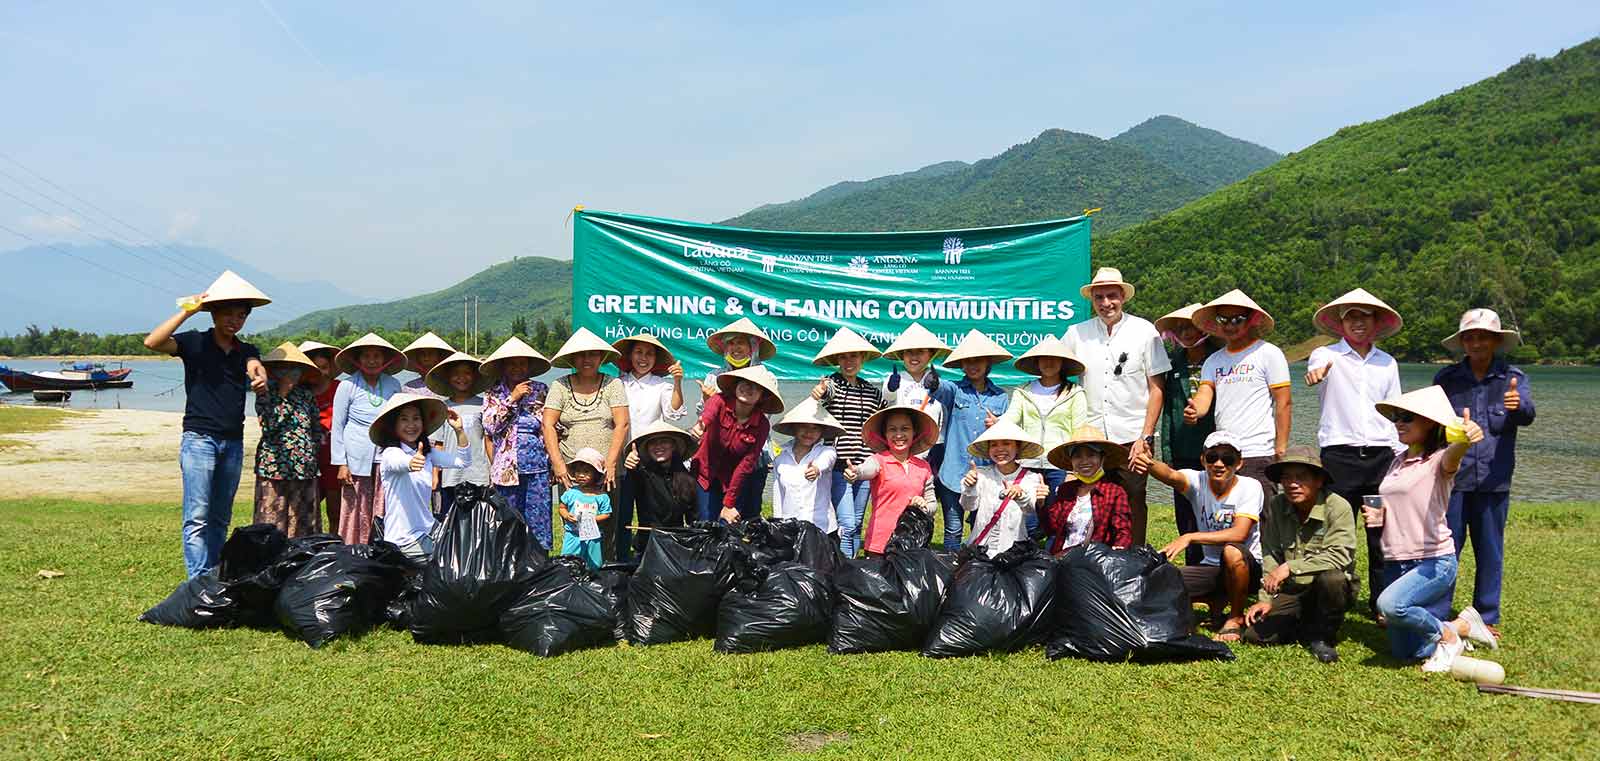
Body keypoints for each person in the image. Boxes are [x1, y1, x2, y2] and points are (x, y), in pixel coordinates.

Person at [142, 271, 270, 577]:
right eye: (227, 313)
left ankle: (213, 575)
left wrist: (259, 375)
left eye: (241, 316)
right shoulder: (194, 343)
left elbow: (255, 365)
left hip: (233, 441)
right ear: (213, 313)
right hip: (199, 439)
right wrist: (188, 311)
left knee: (220, 517)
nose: (234, 321)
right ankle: (198, 581)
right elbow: (153, 341)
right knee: (197, 516)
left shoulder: (246, 350)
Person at [1371, 385, 1499, 672]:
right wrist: (1379, 514)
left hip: (1432, 560)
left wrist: (1465, 438)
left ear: (1429, 423)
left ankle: (1448, 636)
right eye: (1395, 417)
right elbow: (1398, 501)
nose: (1398, 423)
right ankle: (1463, 625)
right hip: (1395, 559)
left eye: (1406, 417)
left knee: (1390, 605)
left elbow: (1455, 453)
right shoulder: (1397, 461)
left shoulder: (1440, 460)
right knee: (1407, 652)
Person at [1305, 288, 1405, 619]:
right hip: (1339, 460)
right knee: (1337, 532)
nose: (1358, 323)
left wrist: (1401, 456)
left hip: (1379, 460)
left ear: (1376, 323)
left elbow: (1396, 412)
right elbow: (1315, 370)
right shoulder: (1326, 355)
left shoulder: (1386, 363)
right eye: (1351, 316)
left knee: (1379, 534)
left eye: (1365, 316)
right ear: (1342, 323)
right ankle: (1337, 598)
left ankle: (1380, 604)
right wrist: (1315, 374)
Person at [1434, 308, 1534, 636]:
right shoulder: (1446, 380)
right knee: (1447, 547)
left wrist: (1518, 405)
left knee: (1490, 550)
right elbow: (1432, 424)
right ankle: (1438, 611)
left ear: (1495, 341)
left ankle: (1487, 617)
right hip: (1454, 479)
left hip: (1494, 479)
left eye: (1484, 337)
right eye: (1471, 337)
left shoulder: (1513, 378)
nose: (1477, 343)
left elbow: (1527, 415)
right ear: (1463, 342)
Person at [1061, 267, 1169, 547]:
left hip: (1133, 435)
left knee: (1133, 500)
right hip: (1092, 437)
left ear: (1123, 296)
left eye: (1112, 296)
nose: (1106, 303)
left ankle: (1133, 563)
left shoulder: (1145, 331)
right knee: (1092, 500)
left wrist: (1145, 436)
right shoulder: (1076, 334)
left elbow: (1156, 387)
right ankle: (1095, 561)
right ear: (1092, 300)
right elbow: (1055, 376)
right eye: (1099, 297)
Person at [1136, 431, 1265, 642]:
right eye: (1213, 457)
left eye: (1228, 458)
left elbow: (1240, 533)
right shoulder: (1197, 480)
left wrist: (1190, 537)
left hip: (1247, 568)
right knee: (1161, 581)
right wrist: (1148, 463)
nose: (1219, 464)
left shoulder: (1250, 486)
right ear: (1203, 460)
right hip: (1210, 567)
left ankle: (1235, 617)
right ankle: (1215, 599)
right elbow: (1170, 475)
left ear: (1239, 463)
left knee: (1232, 551)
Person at [1242, 447, 1358, 664]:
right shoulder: (1277, 505)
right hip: (1293, 589)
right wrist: (1266, 599)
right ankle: (1304, 622)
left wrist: (1290, 567)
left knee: (1332, 578)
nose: (1292, 483)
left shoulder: (1338, 506)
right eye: (1286, 477)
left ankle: (1323, 637)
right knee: (1254, 637)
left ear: (1319, 481)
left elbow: (1340, 555)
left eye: (1301, 477)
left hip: (1327, 588)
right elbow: (1271, 553)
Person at [1185, 289, 1292, 496]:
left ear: (1251, 320)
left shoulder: (1268, 353)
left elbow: (1284, 402)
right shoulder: (1213, 361)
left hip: (1258, 451)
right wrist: (1194, 411)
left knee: (1263, 519)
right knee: (1227, 516)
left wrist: (1281, 446)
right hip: (1223, 455)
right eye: (1224, 319)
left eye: (1237, 319)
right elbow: (1204, 396)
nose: (1230, 325)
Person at [543, 328, 631, 561]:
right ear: (572, 359)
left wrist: (611, 463)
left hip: (606, 471)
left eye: (592, 354)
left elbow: (621, 424)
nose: (587, 359)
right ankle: (573, 574)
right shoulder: (559, 386)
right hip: (572, 471)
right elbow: (548, 425)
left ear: (601, 358)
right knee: (573, 525)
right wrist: (559, 465)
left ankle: (606, 581)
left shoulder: (613, 385)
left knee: (606, 525)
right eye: (581, 355)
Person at [931, 329, 1012, 551]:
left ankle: (976, 573)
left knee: (981, 526)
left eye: (978, 360)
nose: (973, 365)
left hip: (986, 474)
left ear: (988, 363)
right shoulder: (954, 390)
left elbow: (1008, 437)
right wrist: (931, 379)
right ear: (962, 365)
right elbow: (937, 387)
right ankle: (949, 575)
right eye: (968, 361)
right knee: (953, 528)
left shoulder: (1001, 396)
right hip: (953, 472)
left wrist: (999, 425)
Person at [808, 327, 886, 556]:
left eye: (854, 356)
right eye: (843, 356)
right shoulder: (833, 384)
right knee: (848, 523)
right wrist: (820, 390)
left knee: (857, 524)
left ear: (862, 358)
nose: (849, 361)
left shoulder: (871, 391)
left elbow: (885, 416)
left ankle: (850, 569)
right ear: (837, 360)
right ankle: (841, 568)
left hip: (862, 466)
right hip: (838, 466)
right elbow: (824, 391)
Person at [612, 332, 687, 561]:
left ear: (656, 359)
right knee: (621, 517)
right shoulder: (617, 383)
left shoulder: (660, 385)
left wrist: (677, 382)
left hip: (651, 460)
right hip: (622, 460)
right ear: (630, 355)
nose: (643, 358)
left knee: (651, 514)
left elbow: (674, 413)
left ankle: (651, 560)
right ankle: (621, 560)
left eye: (649, 354)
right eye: (638, 352)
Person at [370, 393, 469, 562]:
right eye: (404, 419)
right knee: (454, 561)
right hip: (404, 541)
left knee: (466, 547)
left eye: (416, 418)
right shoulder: (390, 453)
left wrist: (459, 431)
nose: (411, 425)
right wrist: (412, 462)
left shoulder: (428, 454)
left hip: (428, 531)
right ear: (393, 425)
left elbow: (463, 461)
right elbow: (399, 462)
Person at [697, 317, 778, 518]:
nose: (735, 348)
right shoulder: (713, 377)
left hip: (750, 457)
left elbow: (760, 417)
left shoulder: (767, 377)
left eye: (740, 342)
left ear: (753, 347)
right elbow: (704, 419)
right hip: (715, 461)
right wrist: (708, 403)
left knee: (747, 515)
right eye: (730, 343)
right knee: (709, 515)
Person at [479, 337, 554, 552]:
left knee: (538, 519)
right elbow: (490, 427)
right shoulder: (493, 393)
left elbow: (550, 427)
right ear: (503, 366)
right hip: (506, 469)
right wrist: (512, 398)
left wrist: (553, 463)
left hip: (538, 466)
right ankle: (507, 565)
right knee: (508, 519)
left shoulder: (541, 390)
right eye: (512, 363)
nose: (517, 369)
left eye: (522, 364)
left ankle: (539, 565)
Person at [1155, 304, 1216, 565]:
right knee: (1186, 511)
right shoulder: (1174, 362)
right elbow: (1168, 409)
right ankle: (1193, 566)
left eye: (1192, 326)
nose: (1187, 332)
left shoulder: (1218, 357)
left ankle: (1217, 564)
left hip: (1214, 447)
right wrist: (1167, 451)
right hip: (1182, 448)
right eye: (1180, 328)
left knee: (1216, 508)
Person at [329, 333, 404, 544]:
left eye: (377, 356)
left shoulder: (394, 384)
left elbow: (398, 420)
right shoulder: (347, 386)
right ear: (358, 360)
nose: (372, 361)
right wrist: (341, 463)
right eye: (367, 356)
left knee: (384, 503)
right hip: (355, 455)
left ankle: (382, 548)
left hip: (385, 453)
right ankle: (352, 551)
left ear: (385, 359)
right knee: (355, 508)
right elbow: (338, 425)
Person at [999, 336, 1088, 510]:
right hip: (1028, 462)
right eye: (1044, 358)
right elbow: (1012, 418)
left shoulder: (1075, 392)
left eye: (1054, 358)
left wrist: (1072, 470)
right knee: (1027, 515)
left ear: (1062, 363)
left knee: (1056, 513)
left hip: (1060, 463)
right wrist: (997, 423)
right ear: (1037, 362)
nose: (1049, 362)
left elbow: (1079, 431)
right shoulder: (1023, 390)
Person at [690, 365, 783, 524]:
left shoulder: (762, 425)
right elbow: (708, 415)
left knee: (728, 525)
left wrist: (728, 503)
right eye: (744, 383)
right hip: (705, 474)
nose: (748, 389)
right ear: (735, 386)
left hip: (732, 481)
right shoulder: (718, 400)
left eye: (756, 387)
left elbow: (746, 464)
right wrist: (701, 426)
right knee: (704, 523)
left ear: (762, 396)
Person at [846, 405, 939, 556]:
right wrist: (856, 472)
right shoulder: (878, 460)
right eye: (892, 429)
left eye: (905, 429)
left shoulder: (924, 466)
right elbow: (867, 470)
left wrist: (924, 506)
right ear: (884, 434)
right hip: (879, 543)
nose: (899, 434)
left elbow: (932, 504)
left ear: (914, 432)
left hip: (912, 543)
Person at [252, 343, 323, 538]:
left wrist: (310, 454)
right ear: (274, 371)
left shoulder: (306, 395)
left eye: (294, 369)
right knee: (272, 520)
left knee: (303, 521)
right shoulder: (265, 394)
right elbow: (268, 425)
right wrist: (282, 394)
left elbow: (315, 429)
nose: (290, 374)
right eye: (284, 369)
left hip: (304, 469)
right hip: (274, 468)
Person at [1039, 426, 1134, 555]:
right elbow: (1052, 529)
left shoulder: (1115, 492)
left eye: (1091, 455)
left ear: (1102, 458)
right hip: (1063, 558)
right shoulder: (1065, 489)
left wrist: (1118, 552)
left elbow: (1123, 532)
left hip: (1096, 562)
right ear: (1071, 461)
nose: (1084, 461)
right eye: (1077, 456)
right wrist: (1041, 504)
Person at [959, 420, 1044, 558]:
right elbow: (968, 506)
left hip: (1013, 552)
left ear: (1017, 447)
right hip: (981, 550)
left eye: (1006, 443)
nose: (999, 449)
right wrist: (970, 487)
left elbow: (1030, 509)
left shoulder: (1030, 478)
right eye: (994, 445)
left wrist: (1020, 495)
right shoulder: (981, 474)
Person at [424, 351, 492, 516]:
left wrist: (492, 470)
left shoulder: (484, 405)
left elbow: (488, 440)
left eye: (467, 373)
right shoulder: (442, 407)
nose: (461, 378)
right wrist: (435, 477)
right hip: (451, 475)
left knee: (479, 521)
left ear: (474, 376)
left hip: (479, 473)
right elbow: (438, 444)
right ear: (448, 377)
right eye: (455, 374)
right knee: (451, 522)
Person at [771, 399, 844, 537]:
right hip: (791, 528)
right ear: (794, 428)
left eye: (815, 428)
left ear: (821, 431)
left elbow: (826, 461)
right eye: (803, 426)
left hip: (822, 527)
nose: (809, 432)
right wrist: (778, 524)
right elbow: (778, 495)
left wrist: (816, 469)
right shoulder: (781, 458)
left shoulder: (826, 451)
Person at [623, 421, 697, 555]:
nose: (658, 446)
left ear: (674, 446)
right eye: (653, 442)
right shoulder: (642, 474)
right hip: (649, 545)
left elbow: (693, 516)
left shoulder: (685, 477)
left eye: (664, 441)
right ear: (646, 449)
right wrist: (631, 467)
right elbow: (630, 488)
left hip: (677, 543)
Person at [299, 340, 344, 532]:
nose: (319, 373)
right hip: (308, 461)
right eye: (314, 368)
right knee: (307, 512)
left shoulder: (340, 388)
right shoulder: (299, 392)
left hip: (334, 461)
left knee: (335, 512)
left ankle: (335, 549)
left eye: (323, 367)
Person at [557, 448, 613, 570]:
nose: (581, 475)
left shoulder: (601, 496)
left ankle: (592, 579)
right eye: (578, 471)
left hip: (592, 536)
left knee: (594, 563)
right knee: (568, 560)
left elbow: (606, 513)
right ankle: (569, 578)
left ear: (596, 475)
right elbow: (562, 507)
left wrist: (593, 518)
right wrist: (566, 515)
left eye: (586, 472)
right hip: (573, 534)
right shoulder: (571, 493)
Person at [398, 332, 455, 397]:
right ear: (417, 358)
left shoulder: (453, 384)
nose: (426, 358)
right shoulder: (410, 388)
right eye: (422, 353)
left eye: (431, 353)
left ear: (439, 357)